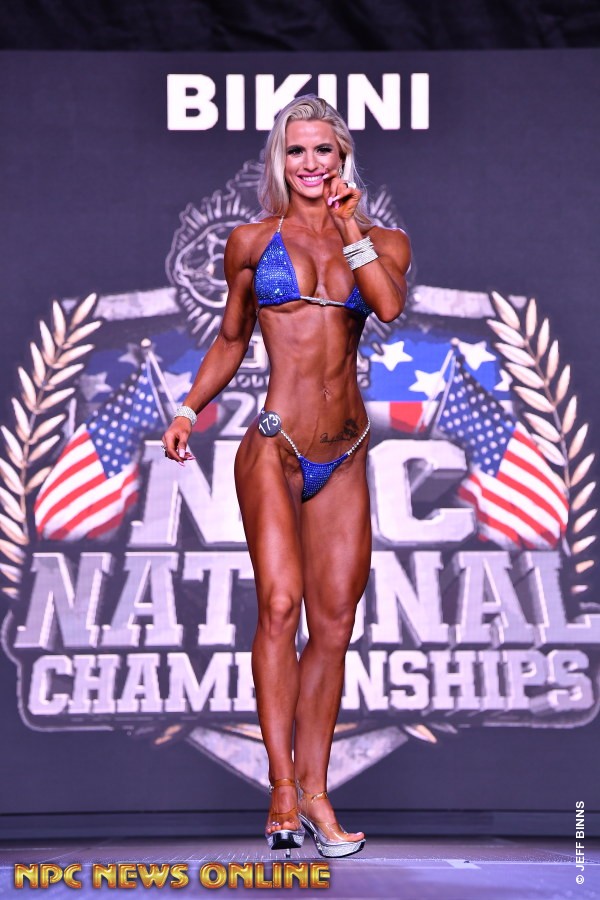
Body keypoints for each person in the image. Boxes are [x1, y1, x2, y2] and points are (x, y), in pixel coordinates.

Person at [162, 95, 410, 858]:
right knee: (280, 604)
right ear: (280, 158)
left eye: (323, 150)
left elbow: (388, 307)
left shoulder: (384, 241)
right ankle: (278, 790)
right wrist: (189, 407)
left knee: (334, 626)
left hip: (346, 448)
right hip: (274, 444)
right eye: (296, 150)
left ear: (342, 158)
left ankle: (315, 793)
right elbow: (231, 339)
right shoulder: (250, 241)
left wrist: (348, 227)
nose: (309, 164)